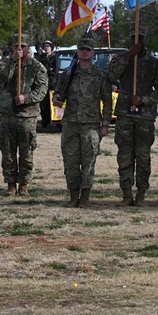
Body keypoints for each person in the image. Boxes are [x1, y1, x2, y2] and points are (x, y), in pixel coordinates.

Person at [53, 36, 113, 208]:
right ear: (77, 52)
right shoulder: (67, 74)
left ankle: (85, 196)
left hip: (91, 124)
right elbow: (57, 93)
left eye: (88, 49)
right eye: (82, 49)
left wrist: (105, 124)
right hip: (70, 123)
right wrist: (57, 99)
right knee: (70, 161)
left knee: (89, 162)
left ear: (93, 53)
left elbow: (107, 101)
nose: (85, 52)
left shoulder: (100, 75)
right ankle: (73, 196)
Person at [107, 30, 158, 206]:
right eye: (134, 38)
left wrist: (145, 99)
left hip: (144, 116)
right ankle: (126, 194)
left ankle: (141, 194)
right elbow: (111, 76)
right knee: (124, 155)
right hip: (124, 114)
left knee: (143, 157)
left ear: (146, 39)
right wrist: (127, 57)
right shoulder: (120, 58)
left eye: (141, 38)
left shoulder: (153, 63)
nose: (138, 41)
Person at [0, 34, 49, 196]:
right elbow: (3, 78)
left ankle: (24, 184)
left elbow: (42, 90)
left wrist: (26, 98)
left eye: (23, 46)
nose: (20, 49)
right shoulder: (3, 64)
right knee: (7, 151)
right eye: (16, 46)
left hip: (27, 116)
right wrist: (13, 61)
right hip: (8, 115)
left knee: (27, 152)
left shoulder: (37, 67)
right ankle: (10, 184)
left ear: (29, 47)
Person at [36, 40, 57, 129]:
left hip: (54, 83)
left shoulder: (56, 57)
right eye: (45, 46)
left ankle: (56, 121)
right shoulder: (41, 58)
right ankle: (45, 121)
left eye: (48, 46)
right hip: (44, 83)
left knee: (54, 103)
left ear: (51, 48)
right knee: (44, 105)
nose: (46, 48)